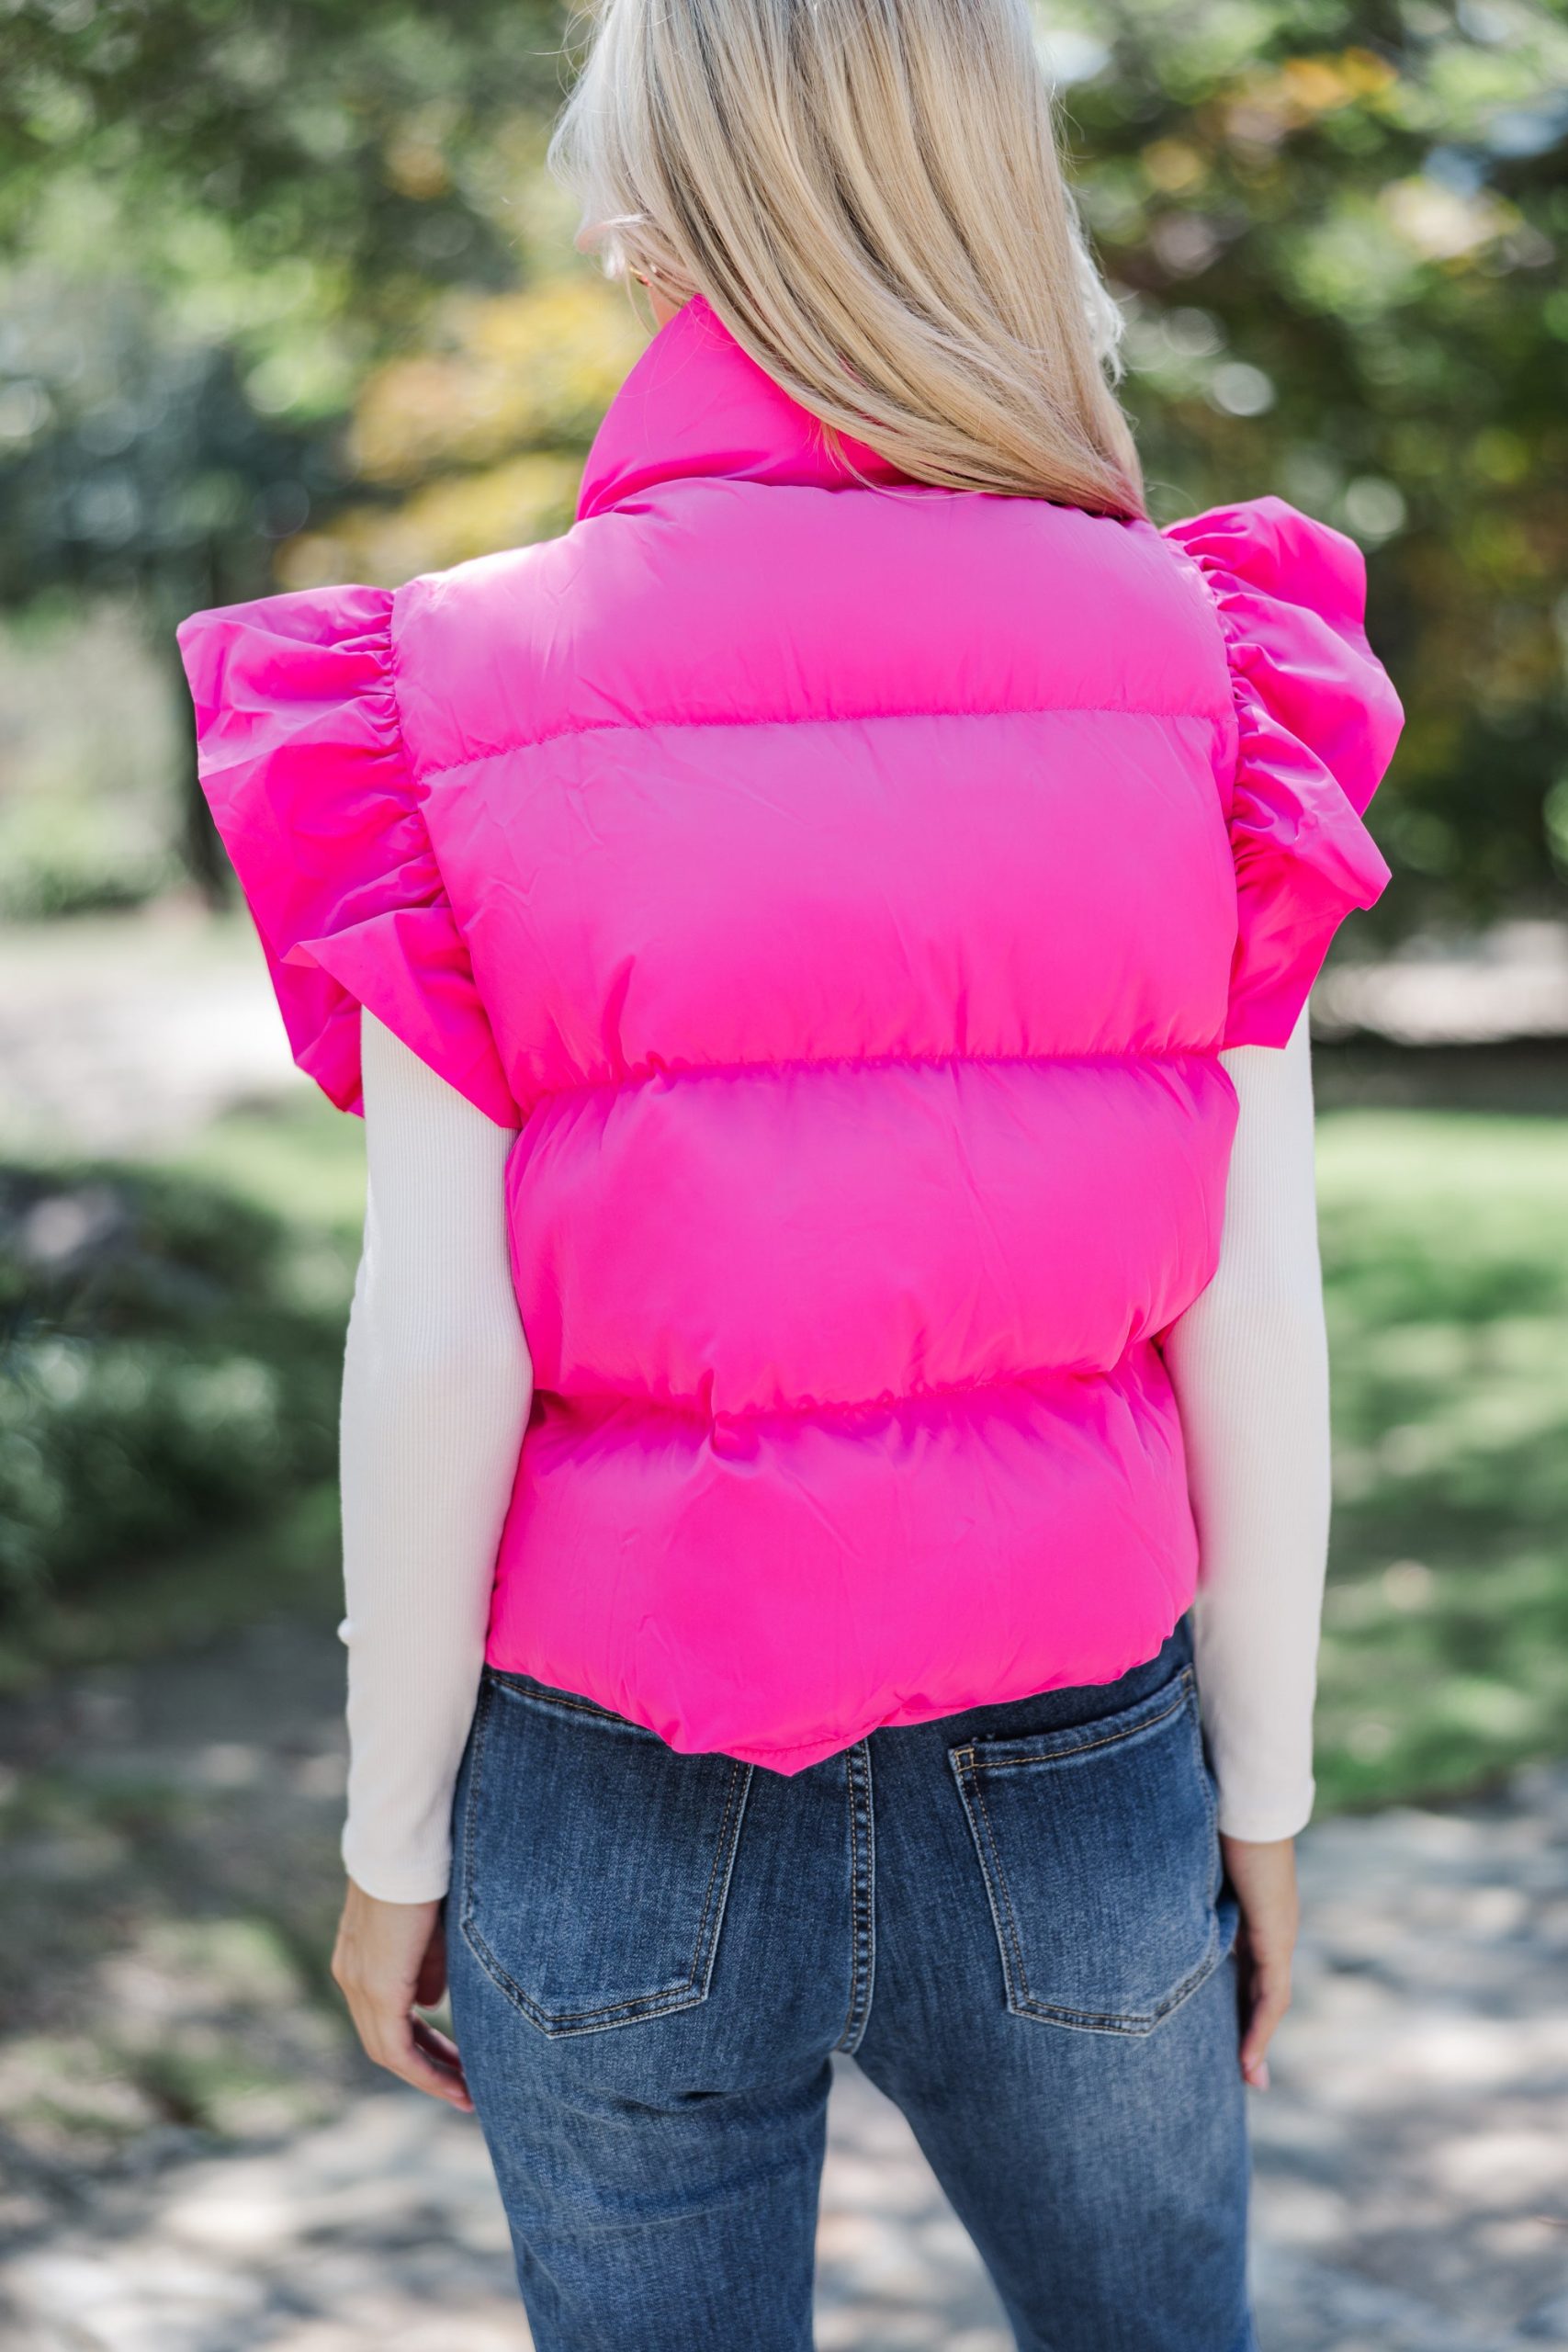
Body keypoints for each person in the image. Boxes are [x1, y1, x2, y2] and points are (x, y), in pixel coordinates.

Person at [176, 2, 1403, 2344]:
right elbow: (1256, 1299)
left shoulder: (438, 689)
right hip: (1077, 1759)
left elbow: (440, 1341)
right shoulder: (1201, 660)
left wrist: (389, 1835)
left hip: (611, 1764)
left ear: (649, 218)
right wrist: (1261, 1788)